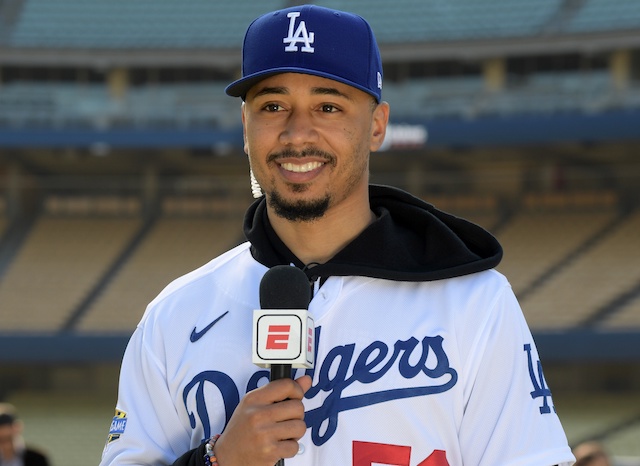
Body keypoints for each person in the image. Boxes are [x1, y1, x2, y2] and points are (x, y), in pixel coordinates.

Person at [100, 4, 576, 465]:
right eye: (272, 105)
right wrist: (219, 463)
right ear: (246, 127)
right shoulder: (174, 315)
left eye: (328, 106)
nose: (297, 133)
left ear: (376, 125)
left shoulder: (473, 301)